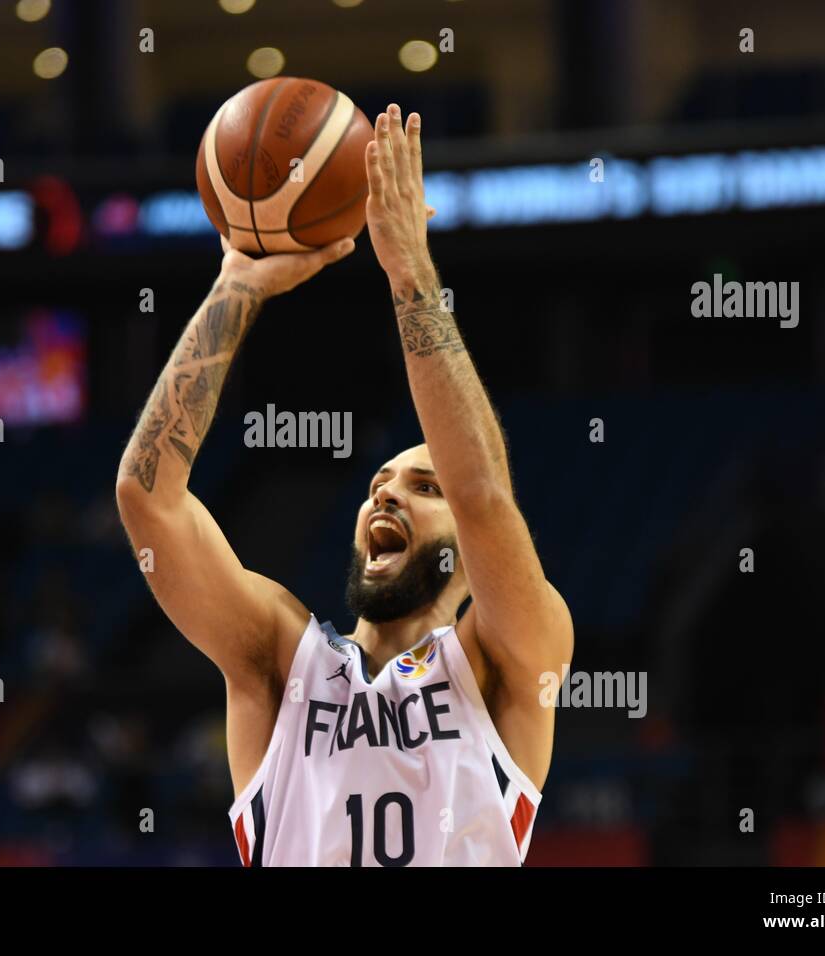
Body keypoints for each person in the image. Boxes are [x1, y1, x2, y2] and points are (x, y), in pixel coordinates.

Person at [116, 104, 572, 866]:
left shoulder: (510, 661)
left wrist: (410, 272)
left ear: (468, 551)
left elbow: (484, 495)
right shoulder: (278, 658)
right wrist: (237, 287)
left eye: (425, 489)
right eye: (378, 483)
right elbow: (147, 499)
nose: (386, 494)